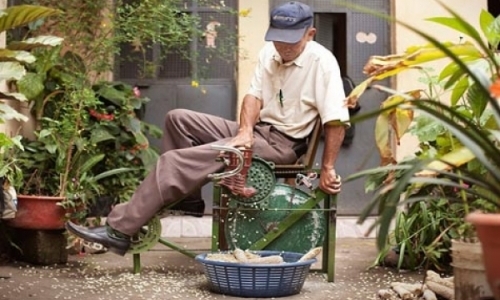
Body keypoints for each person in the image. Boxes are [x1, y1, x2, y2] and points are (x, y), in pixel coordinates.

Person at [66, 1, 349, 256]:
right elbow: (253, 97)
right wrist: (245, 131)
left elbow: (335, 119)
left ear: (310, 34)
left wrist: (327, 168)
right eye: (277, 39)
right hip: (259, 132)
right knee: (177, 118)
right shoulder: (269, 52)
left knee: (174, 161)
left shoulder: (323, 64)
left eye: (291, 41)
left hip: (282, 146)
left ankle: (119, 231)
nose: (283, 47)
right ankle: (188, 200)